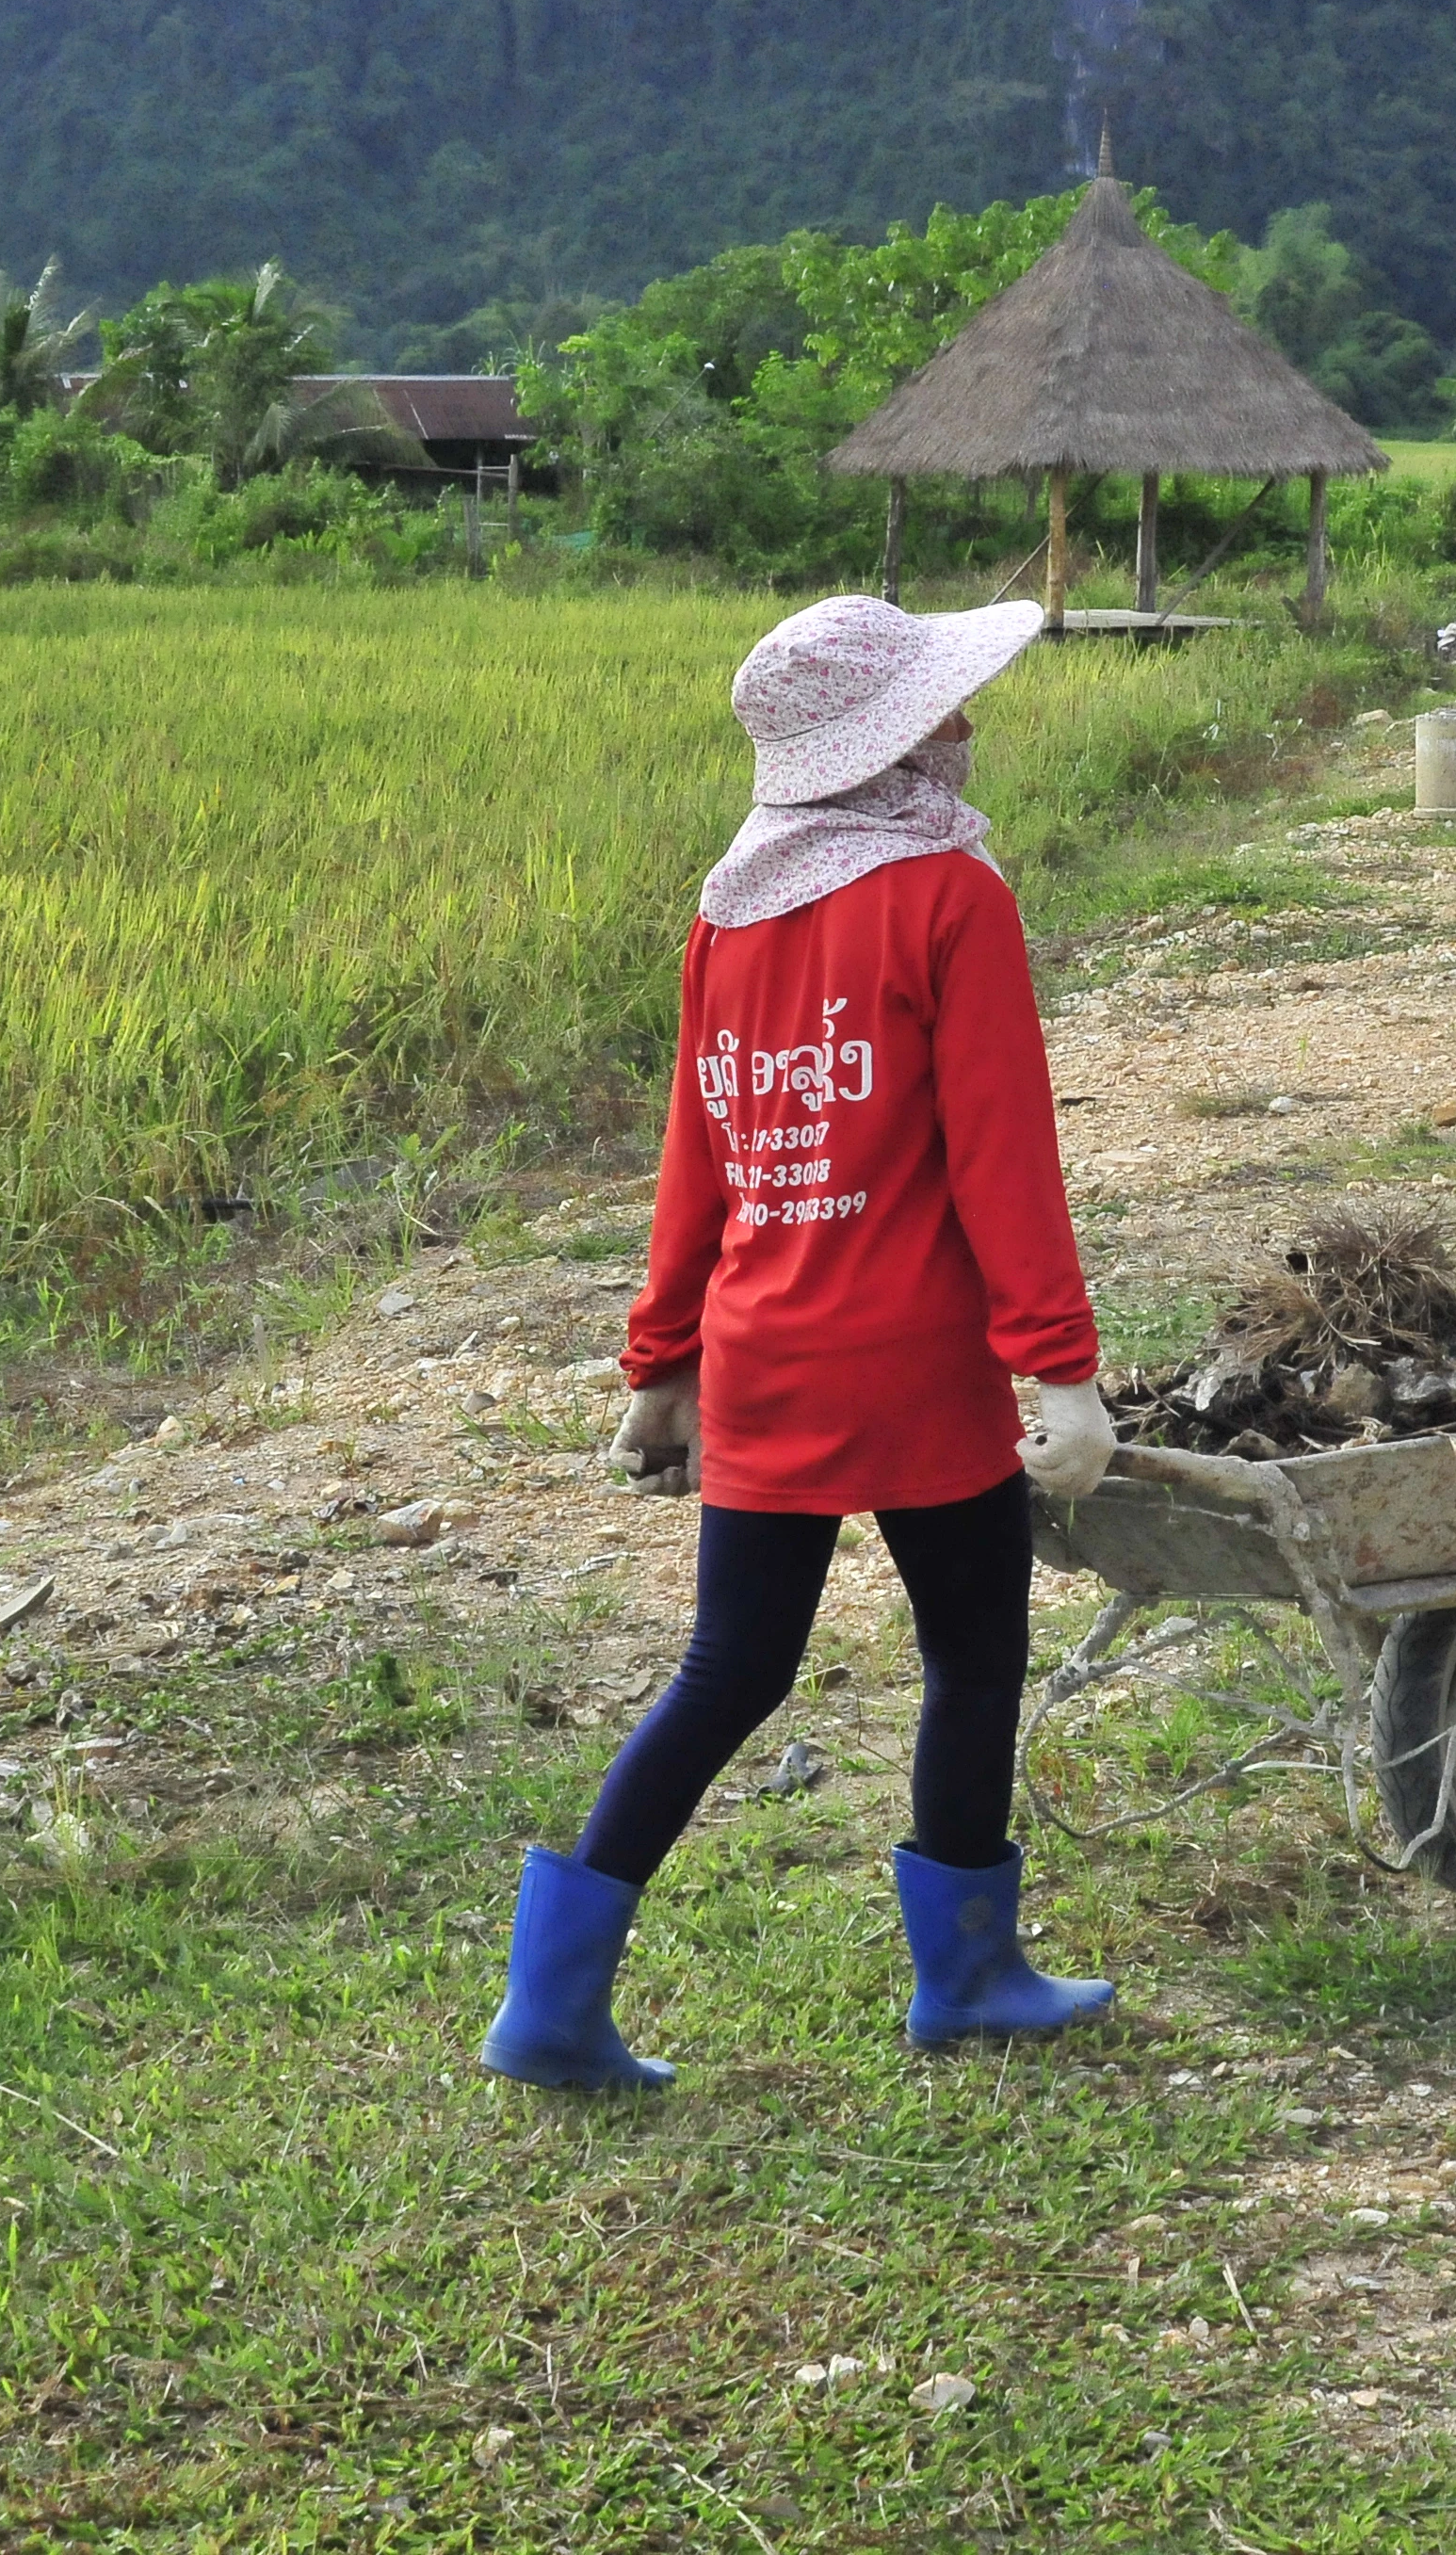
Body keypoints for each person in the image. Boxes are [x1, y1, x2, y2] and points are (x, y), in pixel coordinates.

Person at [481, 592, 1123, 2092]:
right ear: (888, 744)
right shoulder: (953, 899)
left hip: (766, 1350)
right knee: (972, 1652)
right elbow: (1003, 1161)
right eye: (943, 708)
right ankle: (966, 1978)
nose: (968, 727)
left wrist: (663, 1358)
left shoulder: (731, 908)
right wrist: (1064, 1375)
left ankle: (549, 2008)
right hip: (911, 1364)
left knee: (729, 1670)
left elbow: (698, 1155)